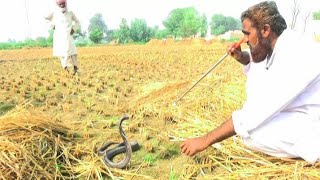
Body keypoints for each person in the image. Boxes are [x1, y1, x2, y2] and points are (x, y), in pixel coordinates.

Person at [181, 1, 320, 164]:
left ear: (266, 30)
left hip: (314, 122)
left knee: (252, 134)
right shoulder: (281, 44)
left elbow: (255, 112)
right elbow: (263, 65)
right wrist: (243, 57)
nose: (244, 40)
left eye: (247, 34)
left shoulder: (294, 54)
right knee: (250, 134)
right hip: (307, 116)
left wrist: (205, 140)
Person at [45, 0, 80, 75]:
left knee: (73, 52)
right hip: (59, 37)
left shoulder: (70, 12)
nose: (62, 5)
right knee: (62, 54)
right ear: (57, 5)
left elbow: (77, 22)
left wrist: (73, 29)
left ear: (66, 3)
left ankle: (75, 68)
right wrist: (52, 26)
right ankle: (65, 69)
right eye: (60, 4)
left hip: (68, 36)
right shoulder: (54, 12)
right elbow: (46, 19)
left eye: (63, 4)